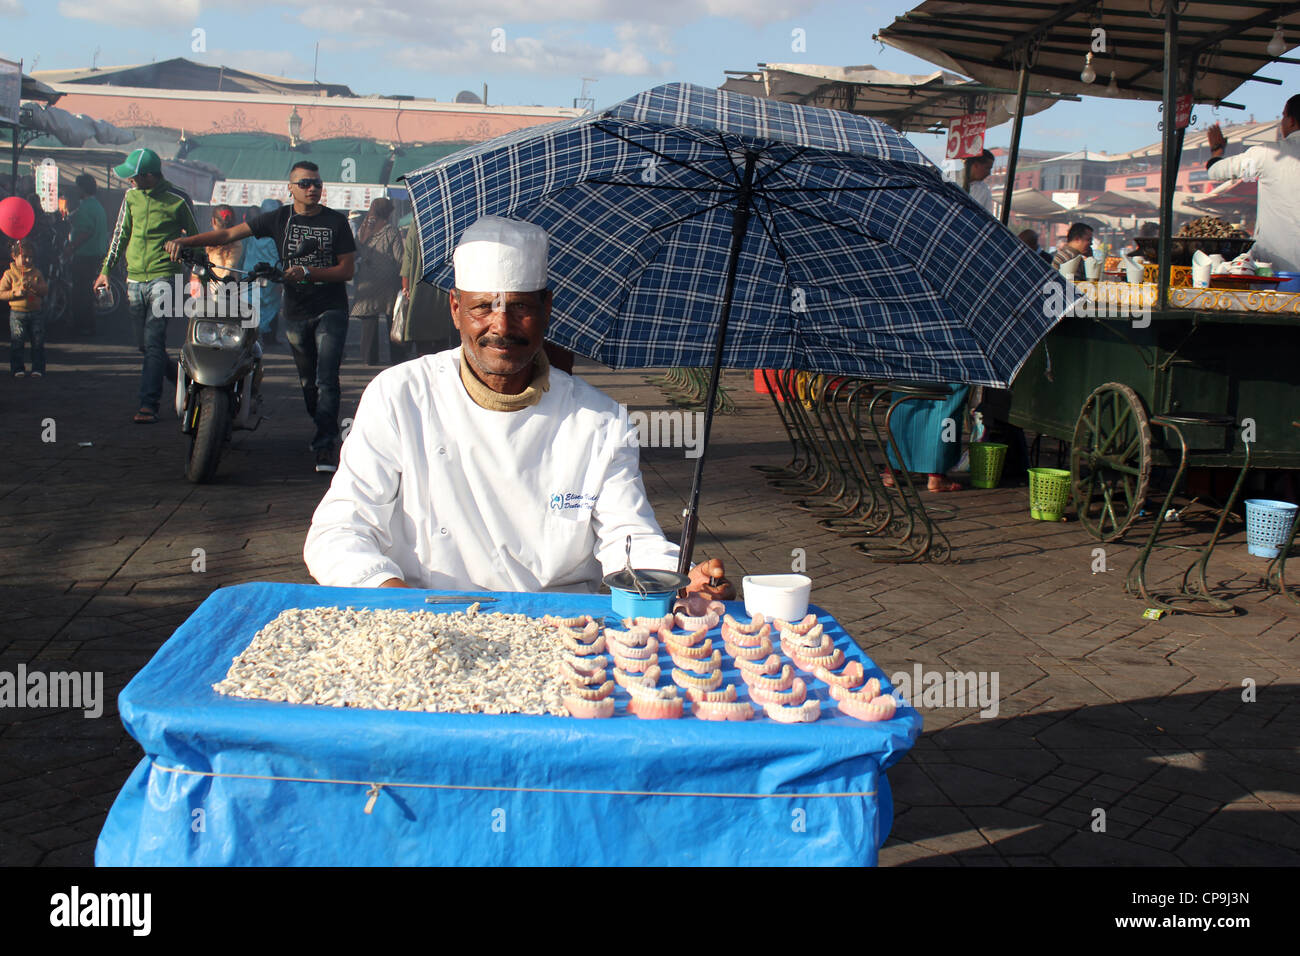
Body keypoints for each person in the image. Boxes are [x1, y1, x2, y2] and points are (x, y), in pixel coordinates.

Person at [303, 215, 733, 599]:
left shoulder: (599, 419)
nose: (501, 326)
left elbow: (629, 536)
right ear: (456, 309)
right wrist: (392, 595)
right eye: (482, 308)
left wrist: (678, 579)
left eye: (521, 308)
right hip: (426, 614)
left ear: (546, 309)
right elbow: (340, 530)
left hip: (560, 625)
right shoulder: (400, 395)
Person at [167, 161, 356, 473]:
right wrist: (184, 242)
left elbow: (346, 269)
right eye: (306, 183)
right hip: (295, 311)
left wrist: (308, 272)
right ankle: (321, 423)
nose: (312, 189)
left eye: (317, 184)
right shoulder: (279, 217)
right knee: (309, 381)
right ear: (291, 189)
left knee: (326, 378)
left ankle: (325, 444)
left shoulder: (336, 222)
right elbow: (227, 233)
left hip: (331, 309)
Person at [95, 148, 199, 424]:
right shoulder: (130, 197)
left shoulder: (178, 199)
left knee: (154, 341)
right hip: (134, 278)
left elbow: (196, 236)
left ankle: (148, 404)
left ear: (150, 176)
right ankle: (183, 380)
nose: (129, 180)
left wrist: (192, 262)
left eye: (134, 176)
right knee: (144, 344)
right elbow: (121, 233)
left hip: (164, 276)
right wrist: (106, 270)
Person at [1206, 94, 1300, 272]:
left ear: (1292, 121)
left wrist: (1216, 150)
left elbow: (1216, 170)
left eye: (1283, 116)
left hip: (1276, 268)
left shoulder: (1268, 154)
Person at [350, 197, 404, 366]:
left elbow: (356, 252)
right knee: (392, 319)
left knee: (369, 320)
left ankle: (369, 358)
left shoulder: (364, 229)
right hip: (389, 281)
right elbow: (400, 258)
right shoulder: (391, 231)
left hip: (367, 280)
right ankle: (397, 357)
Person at [396, 220, 457, 362]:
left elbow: (408, 261)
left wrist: (406, 288)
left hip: (420, 291)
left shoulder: (417, 224)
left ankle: (426, 372)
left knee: (423, 343)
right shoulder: (451, 223)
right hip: (444, 289)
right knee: (443, 343)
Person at [67, 175, 108, 336]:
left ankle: (81, 325)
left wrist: (71, 247)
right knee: (87, 292)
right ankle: (88, 325)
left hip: (85, 255)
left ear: (82, 188)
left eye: (77, 187)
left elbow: (86, 231)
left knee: (80, 291)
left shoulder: (86, 207)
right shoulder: (97, 206)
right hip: (97, 254)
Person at [1, 239, 49, 377]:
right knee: (17, 342)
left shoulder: (36, 273)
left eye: (31, 257)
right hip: (17, 313)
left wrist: (34, 286)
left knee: (38, 342)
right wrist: (14, 293)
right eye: (25, 256)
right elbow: (1, 293)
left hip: (36, 312)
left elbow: (45, 290)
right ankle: (17, 368)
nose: (28, 260)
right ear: (14, 257)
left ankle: (38, 368)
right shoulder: (9, 274)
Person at [241, 198, 283, 345]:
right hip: (267, 277)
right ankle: (262, 339)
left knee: (254, 307)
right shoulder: (278, 232)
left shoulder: (253, 230)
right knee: (267, 308)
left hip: (255, 275)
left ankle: (260, 339)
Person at [204, 205, 245, 301]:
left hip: (223, 287)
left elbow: (229, 266)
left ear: (213, 221)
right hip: (225, 285)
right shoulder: (237, 242)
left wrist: (220, 285)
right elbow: (231, 264)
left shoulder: (207, 240)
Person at [965, 149, 995, 213]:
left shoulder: (983, 190)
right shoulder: (951, 180)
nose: (989, 173)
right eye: (987, 168)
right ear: (976, 165)